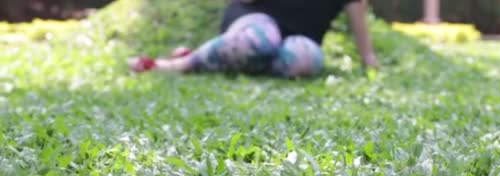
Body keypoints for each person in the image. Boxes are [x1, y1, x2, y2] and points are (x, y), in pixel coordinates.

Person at [128, 0, 378, 77]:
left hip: (298, 37)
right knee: (260, 41)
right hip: (256, 19)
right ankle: (177, 65)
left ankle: (219, 58)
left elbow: (357, 11)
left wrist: (368, 58)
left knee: (305, 59)